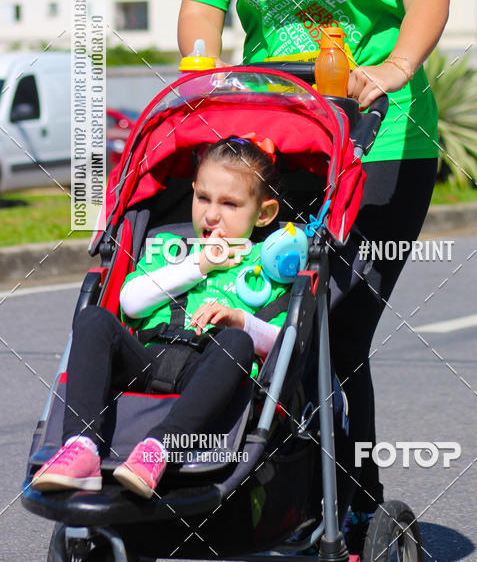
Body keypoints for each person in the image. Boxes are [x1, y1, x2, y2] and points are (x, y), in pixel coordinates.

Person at [177, 0, 450, 548]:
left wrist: (394, 67)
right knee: (258, 313)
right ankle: (258, 483)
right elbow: (201, 3)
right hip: (278, 142)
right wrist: (199, 84)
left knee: (333, 323)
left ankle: (350, 496)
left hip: (382, 140)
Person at [32, 136, 287, 499]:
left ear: (263, 214)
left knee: (236, 343)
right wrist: (196, 265)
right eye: (203, 199)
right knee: (93, 321)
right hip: (148, 359)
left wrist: (238, 320)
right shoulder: (170, 250)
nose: (211, 215)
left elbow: (283, 341)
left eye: (230, 204)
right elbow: (132, 303)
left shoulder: (270, 265)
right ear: (193, 191)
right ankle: (81, 446)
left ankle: (158, 449)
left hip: (209, 373)